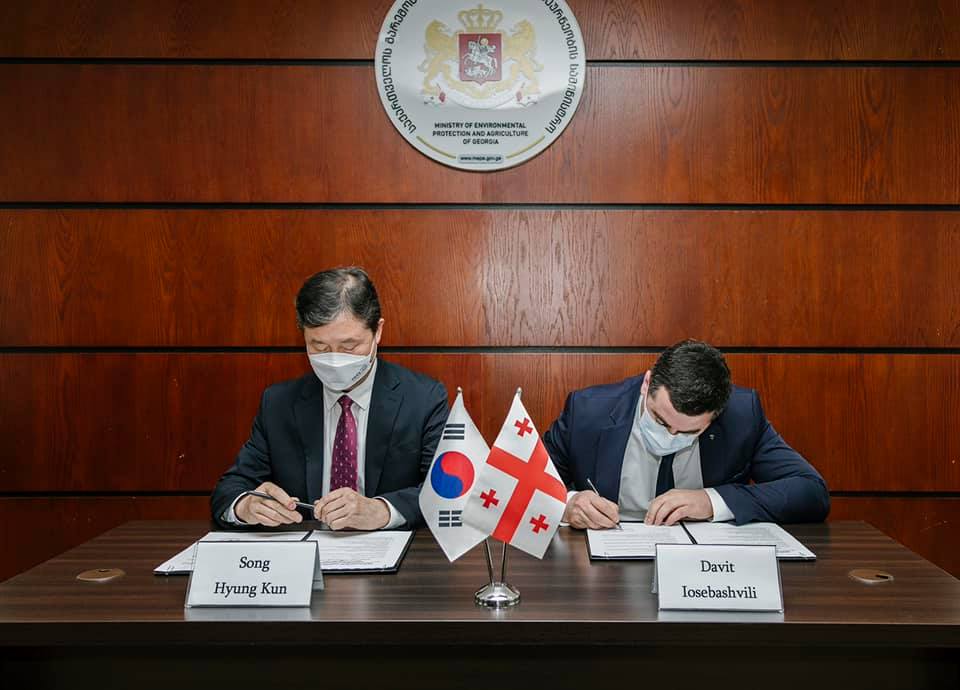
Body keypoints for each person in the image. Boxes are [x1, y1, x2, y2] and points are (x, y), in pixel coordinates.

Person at [211, 267, 448, 530]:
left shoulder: (423, 399)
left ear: (378, 331)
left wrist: (382, 511)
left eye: (349, 346)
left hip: (391, 549)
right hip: (304, 549)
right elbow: (229, 489)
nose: (334, 360)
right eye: (319, 346)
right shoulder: (278, 404)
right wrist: (246, 505)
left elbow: (446, 492)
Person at [543, 340, 829, 529]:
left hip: (703, 573)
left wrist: (712, 501)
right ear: (647, 384)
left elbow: (811, 492)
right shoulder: (587, 411)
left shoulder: (741, 417)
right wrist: (568, 505)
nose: (670, 435)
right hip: (604, 575)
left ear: (716, 415)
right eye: (659, 419)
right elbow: (527, 485)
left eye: (689, 431)